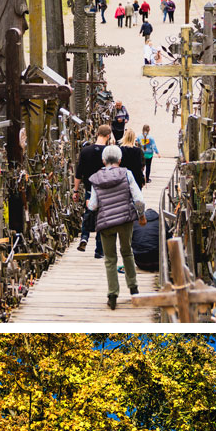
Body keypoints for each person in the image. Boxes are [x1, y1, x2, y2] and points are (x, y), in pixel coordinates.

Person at [87, 144, 145, 310]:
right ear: (120, 159)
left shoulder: (96, 178)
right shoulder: (126, 174)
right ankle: (133, 288)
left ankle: (112, 294)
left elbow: (93, 205)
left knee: (110, 259)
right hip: (125, 220)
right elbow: (138, 198)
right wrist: (141, 216)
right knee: (127, 252)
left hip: (106, 223)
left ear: (103, 160)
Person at [74, 126, 110, 252]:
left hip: (89, 188)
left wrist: (75, 190)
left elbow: (79, 173)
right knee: (102, 217)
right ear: (108, 136)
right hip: (104, 189)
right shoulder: (109, 152)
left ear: (97, 133)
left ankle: (84, 237)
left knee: (88, 212)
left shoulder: (85, 151)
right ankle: (99, 250)